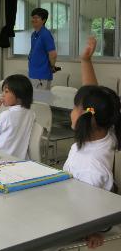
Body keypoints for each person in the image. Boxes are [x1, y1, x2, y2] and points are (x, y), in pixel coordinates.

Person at [63, 37, 121, 249]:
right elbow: (92, 93)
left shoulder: (91, 169)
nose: (71, 112)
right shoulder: (105, 131)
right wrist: (85, 60)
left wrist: (93, 230)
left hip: (82, 217)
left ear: (87, 117)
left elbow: (87, 208)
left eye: (74, 107)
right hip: (74, 198)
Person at [0, 74, 35, 159]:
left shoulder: (6, 115)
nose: (3, 95)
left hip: (1, 158)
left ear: (19, 95)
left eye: (6, 91)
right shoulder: (31, 114)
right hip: (19, 159)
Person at [28, 8, 58, 90]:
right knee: (34, 101)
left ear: (44, 20)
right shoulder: (34, 34)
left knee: (41, 102)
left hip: (42, 76)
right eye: (33, 17)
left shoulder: (45, 34)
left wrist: (52, 66)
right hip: (33, 74)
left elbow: (53, 54)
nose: (33, 20)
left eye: (36, 17)